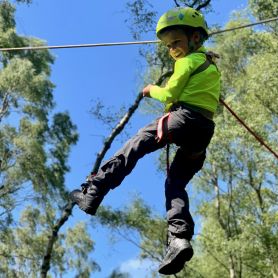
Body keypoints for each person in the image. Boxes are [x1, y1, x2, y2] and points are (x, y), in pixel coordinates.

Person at [70, 6, 220, 275]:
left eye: (177, 42)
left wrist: (152, 90)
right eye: (168, 45)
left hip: (183, 119)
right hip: (204, 130)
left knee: (135, 146)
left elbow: (171, 93)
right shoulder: (210, 66)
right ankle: (179, 238)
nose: (172, 49)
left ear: (196, 38)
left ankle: (93, 191)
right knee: (175, 183)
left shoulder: (186, 62)